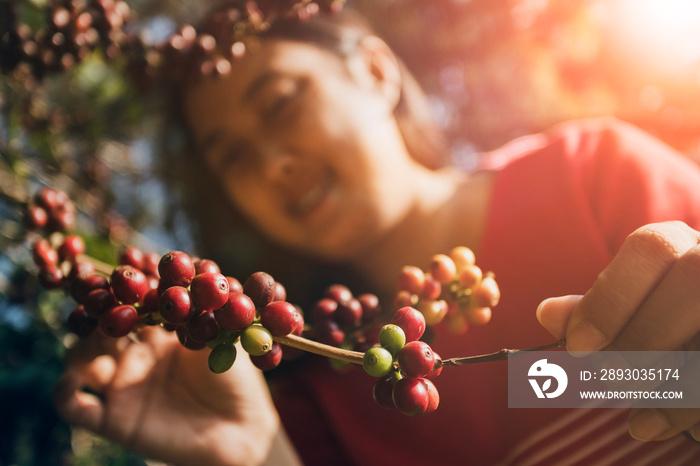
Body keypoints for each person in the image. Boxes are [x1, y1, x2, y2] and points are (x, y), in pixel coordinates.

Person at [53, 3, 700, 465]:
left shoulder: (588, 175)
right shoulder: (312, 400)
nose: (271, 166)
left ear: (376, 71)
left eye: (281, 103)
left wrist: (679, 384)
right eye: (232, 158)